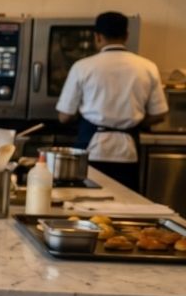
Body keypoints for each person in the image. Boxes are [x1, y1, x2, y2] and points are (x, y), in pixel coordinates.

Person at [57, 11, 168, 191]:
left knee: (87, 202)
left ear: (97, 37)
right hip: (128, 152)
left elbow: (64, 116)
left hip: (91, 147)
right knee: (124, 201)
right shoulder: (147, 67)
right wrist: (136, 121)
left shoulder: (83, 67)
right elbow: (159, 114)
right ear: (126, 36)